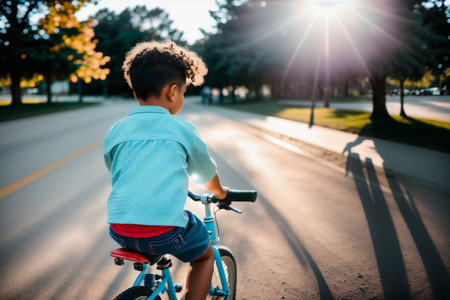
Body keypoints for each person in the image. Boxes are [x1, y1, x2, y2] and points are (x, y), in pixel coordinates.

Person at [104, 41, 228, 300]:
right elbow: (205, 174)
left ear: (136, 93)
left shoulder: (116, 130)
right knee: (204, 257)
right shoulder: (182, 129)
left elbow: (115, 169)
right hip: (164, 231)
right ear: (173, 92)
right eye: (183, 92)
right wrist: (220, 192)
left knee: (148, 243)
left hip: (119, 228)